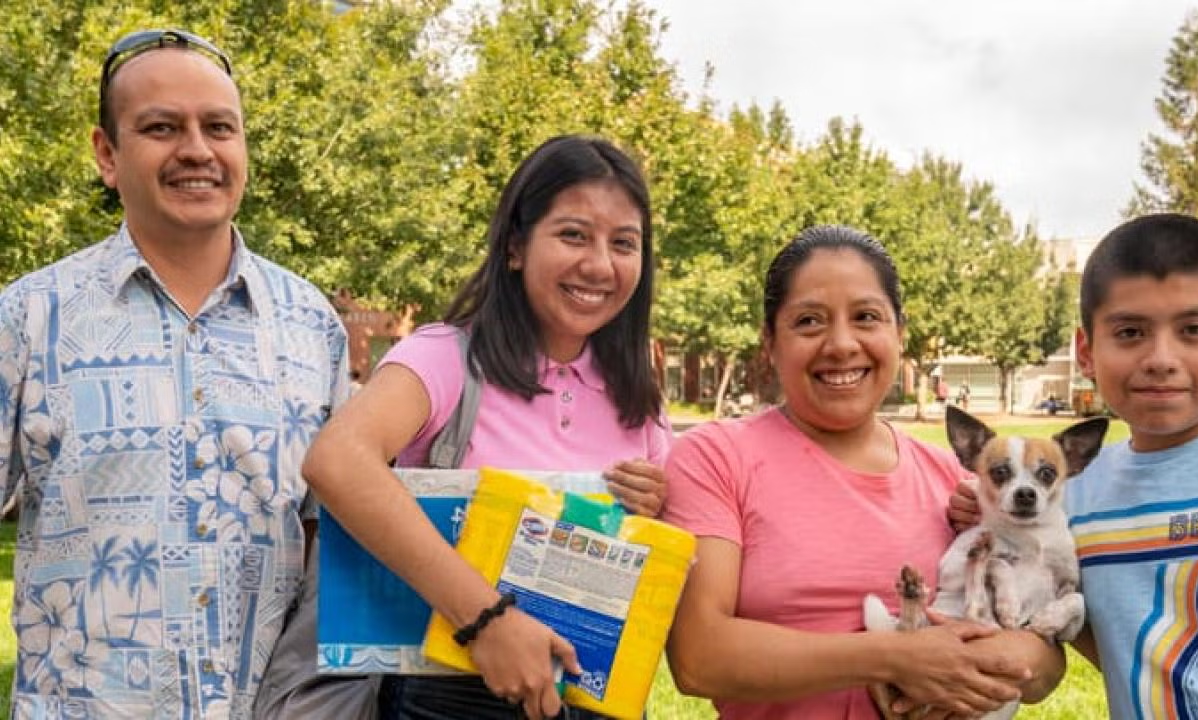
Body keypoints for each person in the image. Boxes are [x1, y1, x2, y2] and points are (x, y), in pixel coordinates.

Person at [0, 29, 349, 717]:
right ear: (107, 154)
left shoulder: (313, 329)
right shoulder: (28, 318)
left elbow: (327, 545)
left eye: (219, 127)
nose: (197, 149)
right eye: (161, 127)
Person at [295, 135, 670, 720]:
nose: (600, 264)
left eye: (624, 243)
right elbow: (337, 461)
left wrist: (656, 508)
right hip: (450, 695)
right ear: (516, 247)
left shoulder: (637, 395)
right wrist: (486, 619)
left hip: (593, 699)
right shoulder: (445, 357)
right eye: (573, 235)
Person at [660, 225, 1065, 719]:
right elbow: (699, 657)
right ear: (769, 341)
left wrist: (1012, 658)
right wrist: (894, 658)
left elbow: (1046, 659)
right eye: (809, 321)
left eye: (867, 317)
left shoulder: (961, 483)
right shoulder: (715, 458)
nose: (841, 344)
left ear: (900, 333)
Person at [1065, 214, 1198, 717]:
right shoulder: (1069, 495)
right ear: (1086, 351)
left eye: (1193, 330)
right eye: (1131, 331)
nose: (1161, 358)